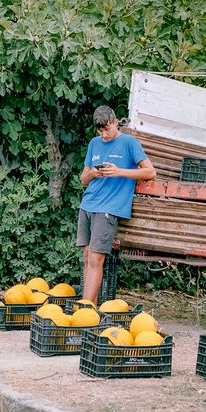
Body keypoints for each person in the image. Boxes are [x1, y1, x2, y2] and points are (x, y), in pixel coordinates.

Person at [78, 105, 156, 302]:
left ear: (115, 122)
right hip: (88, 204)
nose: (104, 134)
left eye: (107, 129)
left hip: (108, 208)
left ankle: (85, 309)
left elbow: (150, 172)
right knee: (87, 259)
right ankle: (88, 312)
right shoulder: (94, 143)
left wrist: (120, 171)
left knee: (96, 259)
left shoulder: (130, 143)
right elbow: (83, 179)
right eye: (100, 130)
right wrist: (93, 173)